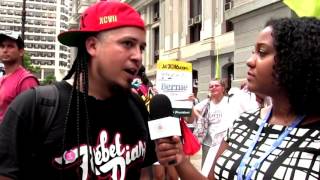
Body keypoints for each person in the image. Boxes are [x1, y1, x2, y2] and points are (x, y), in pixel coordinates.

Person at [0, 1, 156, 179]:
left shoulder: (137, 106)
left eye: (141, 47)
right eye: (128, 43)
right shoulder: (35, 107)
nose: (138, 56)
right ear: (92, 46)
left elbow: (145, 172)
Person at [155, 17, 320, 180]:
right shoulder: (243, 122)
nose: (249, 61)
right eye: (253, 53)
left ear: (296, 60)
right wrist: (181, 160)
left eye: (262, 52)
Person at [0, 30, 39, 123]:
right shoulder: (2, 78)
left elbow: (30, 118)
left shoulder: (26, 80)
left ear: (21, 51)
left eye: (10, 46)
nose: (5, 50)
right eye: (2, 46)